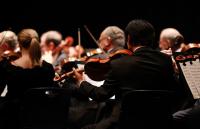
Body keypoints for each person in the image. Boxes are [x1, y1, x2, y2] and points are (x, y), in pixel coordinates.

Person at [73, 20, 179, 129]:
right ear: (152, 39)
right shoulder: (166, 61)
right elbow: (176, 91)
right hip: (160, 123)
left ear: (128, 39)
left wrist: (82, 82)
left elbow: (101, 94)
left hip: (127, 123)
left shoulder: (119, 64)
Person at [0, 28, 55, 129]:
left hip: (14, 120)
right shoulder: (48, 68)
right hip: (41, 119)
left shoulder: (9, 68)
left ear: (19, 44)